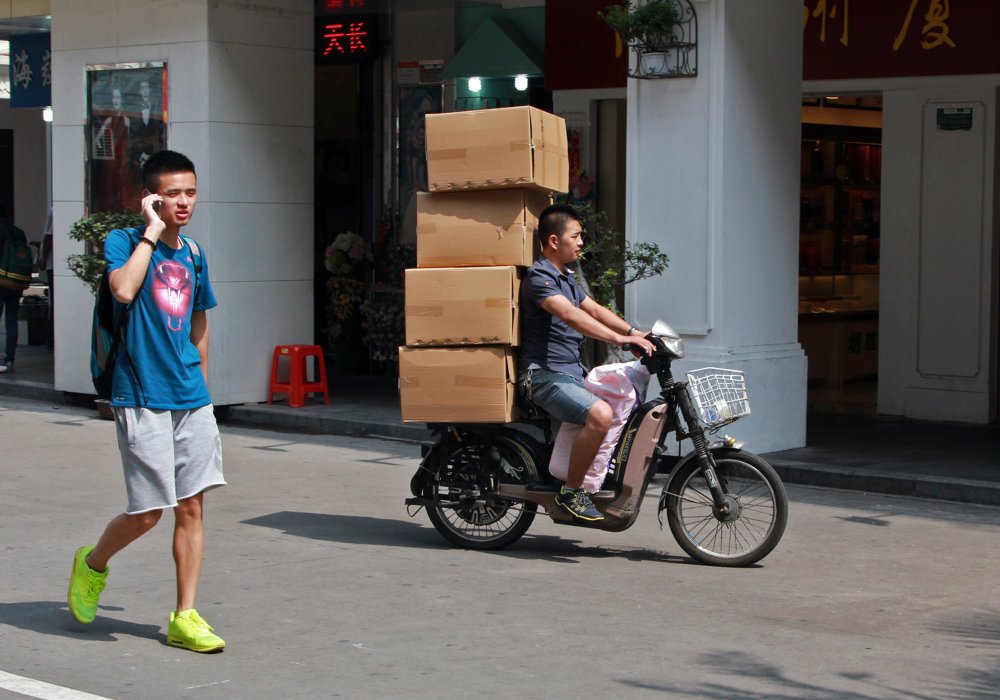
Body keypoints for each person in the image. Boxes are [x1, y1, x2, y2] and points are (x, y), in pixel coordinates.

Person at [67, 150, 227, 653]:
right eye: (173, 194)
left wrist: (202, 385)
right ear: (153, 197)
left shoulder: (195, 254)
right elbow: (122, 289)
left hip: (189, 397)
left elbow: (199, 321)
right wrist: (150, 232)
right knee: (148, 511)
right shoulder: (126, 242)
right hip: (139, 394)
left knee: (192, 507)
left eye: (191, 192)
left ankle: (185, 616)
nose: (184, 202)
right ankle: (92, 563)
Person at [518, 203, 656, 522]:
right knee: (601, 413)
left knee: (618, 401)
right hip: (542, 377)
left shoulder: (565, 277)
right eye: (576, 236)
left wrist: (637, 331)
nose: (581, 242)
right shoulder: (541, 277)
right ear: (554, 241)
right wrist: (620, 340)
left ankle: (597, 476)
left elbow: (593, 309)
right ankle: (572, 492)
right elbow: (571, 315)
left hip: (568, 374)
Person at [0, 205, 28, 373]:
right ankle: (9, 358)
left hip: (0, 279)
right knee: (12, 318)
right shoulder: (18, 231)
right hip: (15, 281)